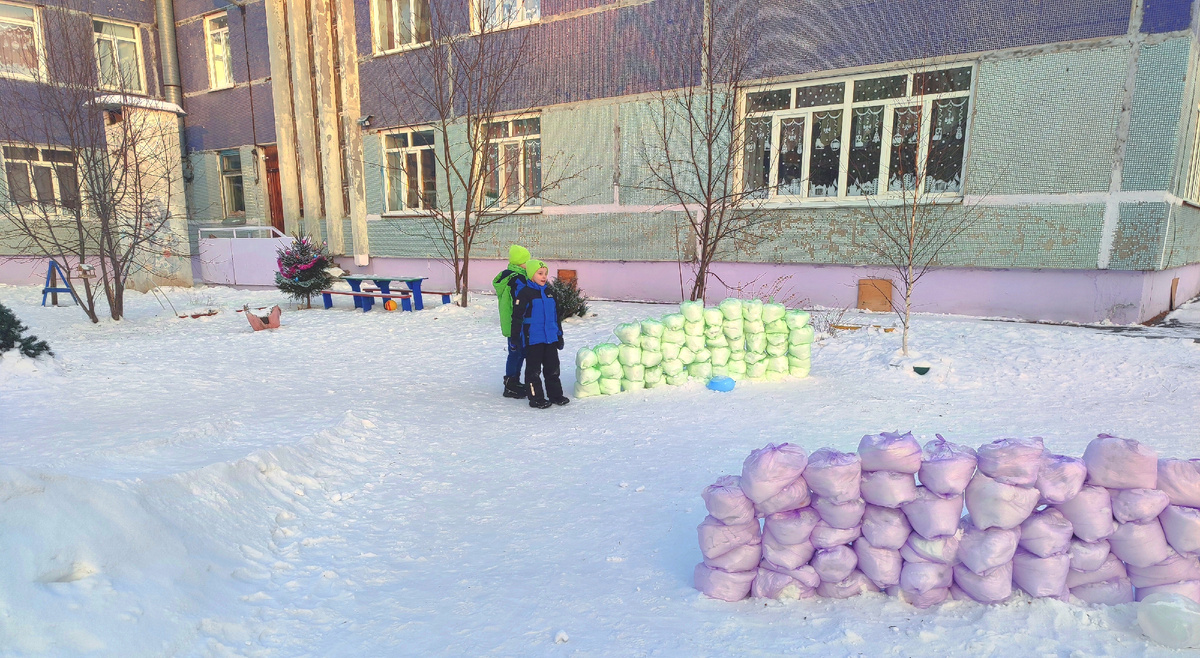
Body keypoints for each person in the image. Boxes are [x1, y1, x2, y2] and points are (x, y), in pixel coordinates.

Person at [509, 259, 569, 409]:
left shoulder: (550, 293)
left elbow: (556, 317)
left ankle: (555, 395)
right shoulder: (525, 293)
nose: (544, 277)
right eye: (540, 273)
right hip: (533, 339)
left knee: (553, 368)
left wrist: (559, 335)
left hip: (550, 339)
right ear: (531, 275)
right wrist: (515, 338)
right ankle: (536, 398)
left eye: (546, 274)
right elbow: (517, 317)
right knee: (533, 371)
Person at [493, 244, 530, 399]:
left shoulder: (508, 276)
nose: (528, 264)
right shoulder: (517, 279)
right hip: (517, 323)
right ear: (520, 263)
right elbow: (522, 301)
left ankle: (513, 381)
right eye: (526, 261)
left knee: (517, 352)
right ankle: (511, 385)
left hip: (511, 323)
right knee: (517, 353)